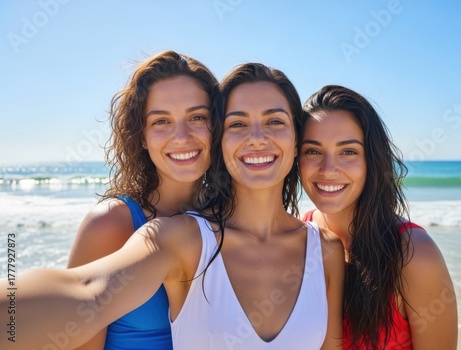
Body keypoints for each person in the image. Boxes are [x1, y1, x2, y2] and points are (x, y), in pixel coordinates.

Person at [0, 64, 345, 350]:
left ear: (298, 139)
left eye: (275, 121)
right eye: (237, 123)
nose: (257, 137)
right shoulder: (175, 236)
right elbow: (84, 294)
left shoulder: (325, 248)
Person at [67, 50, 219, 349]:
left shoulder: (227, 220)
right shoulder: (111, 224)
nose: (182, 136)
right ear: (142, 136)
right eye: (161, 121)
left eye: (197, 117)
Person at [299, 85, 458, 349]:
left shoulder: (414, 253)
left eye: (348, 151)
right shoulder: (298, 236)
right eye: (313, 151)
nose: (328, 169)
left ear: (372, 160)